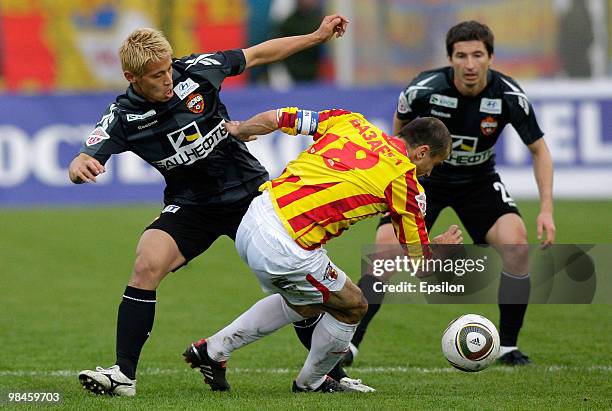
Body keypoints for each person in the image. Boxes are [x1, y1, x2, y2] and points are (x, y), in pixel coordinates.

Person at [69, 15, 350, 397]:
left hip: (250, 196)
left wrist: (317, 36)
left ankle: (327, 375)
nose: (167, 79)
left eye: (168, 70)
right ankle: (123, 375)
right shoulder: (122, 118)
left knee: (294, 277)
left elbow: (259, 53)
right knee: (146, 263)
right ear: (131, 77)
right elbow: (84, 156)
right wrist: (80, 164)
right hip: (192, 206)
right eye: (156, 75)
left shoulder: (198, 71)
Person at [182, 106, 463, 393]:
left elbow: (279, 118)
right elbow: (421, 264)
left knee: (303, 302)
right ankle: (312, 383)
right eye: (435, 163)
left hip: (255, 215)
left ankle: (212, 351)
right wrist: (439, 246)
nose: (430, 172)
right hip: (285, 245)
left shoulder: (352, 121)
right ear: (422, 152)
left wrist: (241, 129)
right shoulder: (405, 180)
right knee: (354, 305)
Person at [341, 20, 556, 367]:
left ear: (490, 57)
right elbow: (396, 143)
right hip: (426, 180)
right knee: (383, 254)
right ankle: (349, 345)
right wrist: (396, 186)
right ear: (450, 58)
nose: (469, 64)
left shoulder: (508, 95)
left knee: (516, 245)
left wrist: (546, 209)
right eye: (461, 55)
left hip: (479, 181)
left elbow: (540, 151)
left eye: (477, 55)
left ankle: (507, 347)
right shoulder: (422, 90)